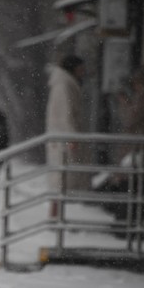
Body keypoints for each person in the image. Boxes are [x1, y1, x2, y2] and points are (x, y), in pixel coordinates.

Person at [45, 54, 86, 218]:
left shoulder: (63, 83)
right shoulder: (64, 85)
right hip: (63, 138)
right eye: (81, 69)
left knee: (60, 179)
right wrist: (72, 136)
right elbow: (65, 114)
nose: (83, 72)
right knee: (60, 179)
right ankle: (55, 217)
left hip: (61, 137)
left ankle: (56, 216)